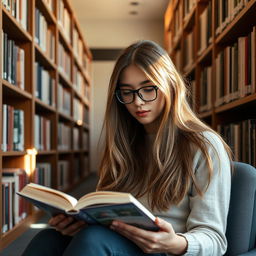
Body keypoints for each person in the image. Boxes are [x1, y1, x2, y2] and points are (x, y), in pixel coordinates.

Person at [22, 40, 232, 256]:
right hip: (118, 242)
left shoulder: (204, 145)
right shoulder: (124, 144)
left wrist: (174, 243)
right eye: (127, 92)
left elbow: (215, 240)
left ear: (170, 85)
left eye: (148, 89)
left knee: (93, 240)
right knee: (50, 237)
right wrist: (79, 223)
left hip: (165, 252)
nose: (138, 102)